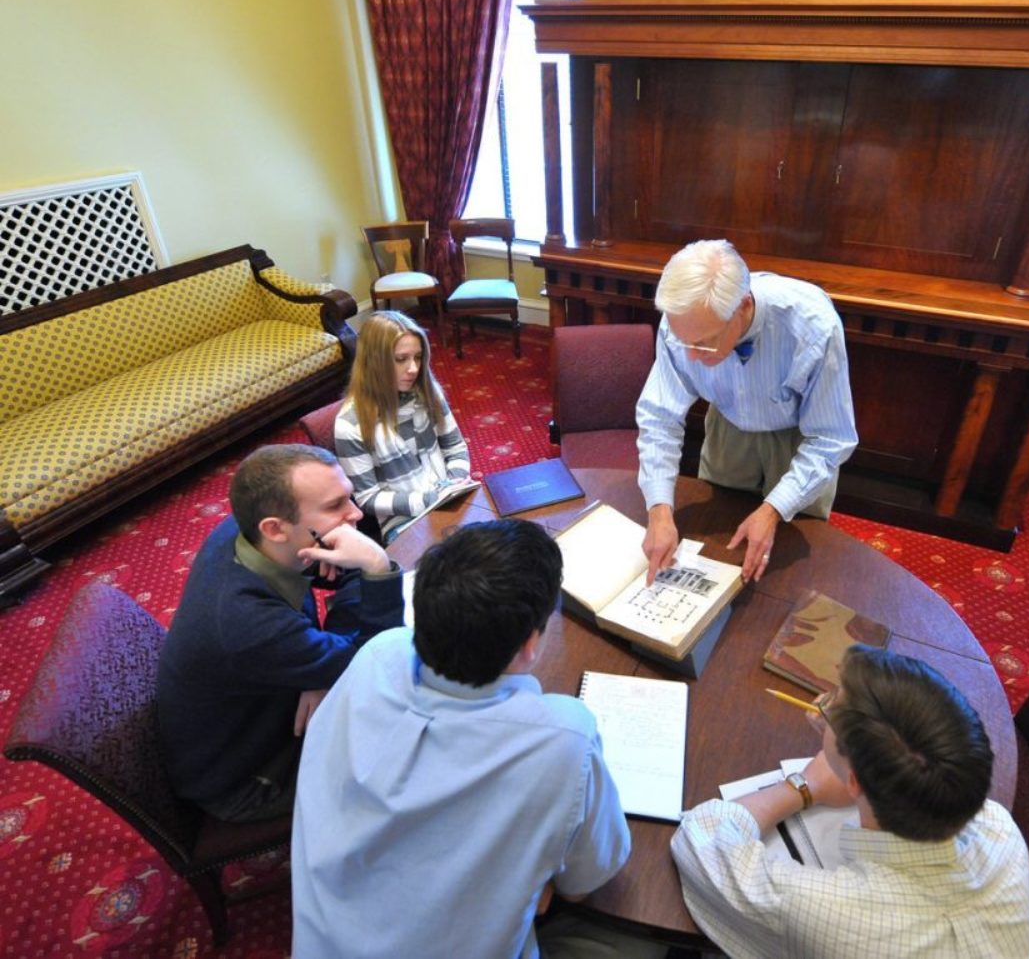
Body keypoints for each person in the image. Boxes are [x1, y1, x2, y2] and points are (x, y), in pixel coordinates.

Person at [292, 520, 661, 959]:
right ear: (529, 643)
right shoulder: (565, 737)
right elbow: (585, 885)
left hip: (323, 939)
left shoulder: (379, 652)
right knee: (640, 934)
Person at [671, 646, 1029, 958]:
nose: (820, 703)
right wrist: (849, 748)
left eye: (830, 704)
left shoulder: (833, 911)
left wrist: (803, 785)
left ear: (854, 784)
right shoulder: (1000, 828)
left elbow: (702, 837)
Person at [156, 443, 403, 822]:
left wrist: (322, 669)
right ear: (274, 529)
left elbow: (346, 580)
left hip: (266, 706)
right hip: (252, 778)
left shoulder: (252, 535)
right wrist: (377, 566)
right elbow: (381, 661)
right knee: (415, 733)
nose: (355, 513)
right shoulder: (247, 625)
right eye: (336, 506)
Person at [636, 239, 857, 584]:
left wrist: (773, 510)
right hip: (727, 424)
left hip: (798, 438)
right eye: (684, 343)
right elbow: (659, 418)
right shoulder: (682, 323)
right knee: (718, 546)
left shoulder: (813, 325)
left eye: (704, 342)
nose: (691, 356)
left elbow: (830, 437)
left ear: (742, 306)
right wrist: (659, 510)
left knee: (788, 559)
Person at [334, 309, 472, 541]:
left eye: (418, 357)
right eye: (401, 359)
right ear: (374, 362)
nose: (413, 369)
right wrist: (429, 499)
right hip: (404, 521)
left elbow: (455, 447)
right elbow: (368, 498)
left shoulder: (429, 394)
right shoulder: (349, 425)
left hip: (450, 495)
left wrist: (455, 482)